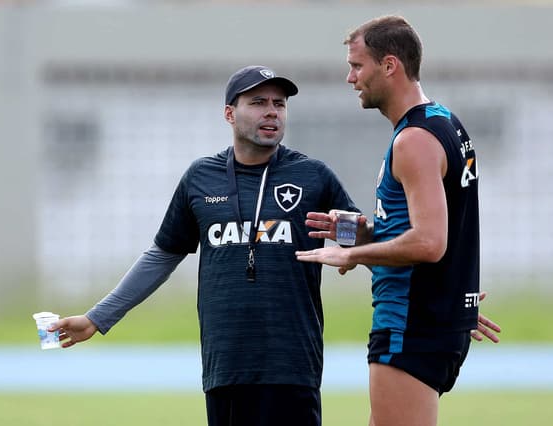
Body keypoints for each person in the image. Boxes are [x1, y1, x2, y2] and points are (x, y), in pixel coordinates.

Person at [48, 65, 362, 426]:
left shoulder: (313, 176)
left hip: (291, 366)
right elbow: (162, 255)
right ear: (229, 113)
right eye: (258, 102)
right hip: (226, 366)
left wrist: (353, 246)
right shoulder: (201, 177)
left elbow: (357, 235)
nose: (272, 111)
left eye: (279, 103)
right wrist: (97, 318)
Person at [296, 15, 501, 426]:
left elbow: (429, 242)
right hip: (430, 317)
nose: (350, 77)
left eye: (357, 66)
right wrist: (356, 233)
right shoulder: (443, 122)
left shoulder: (413, 142)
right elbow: (437, 227)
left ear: (389, 66)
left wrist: (350, 256)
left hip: (410, 323)